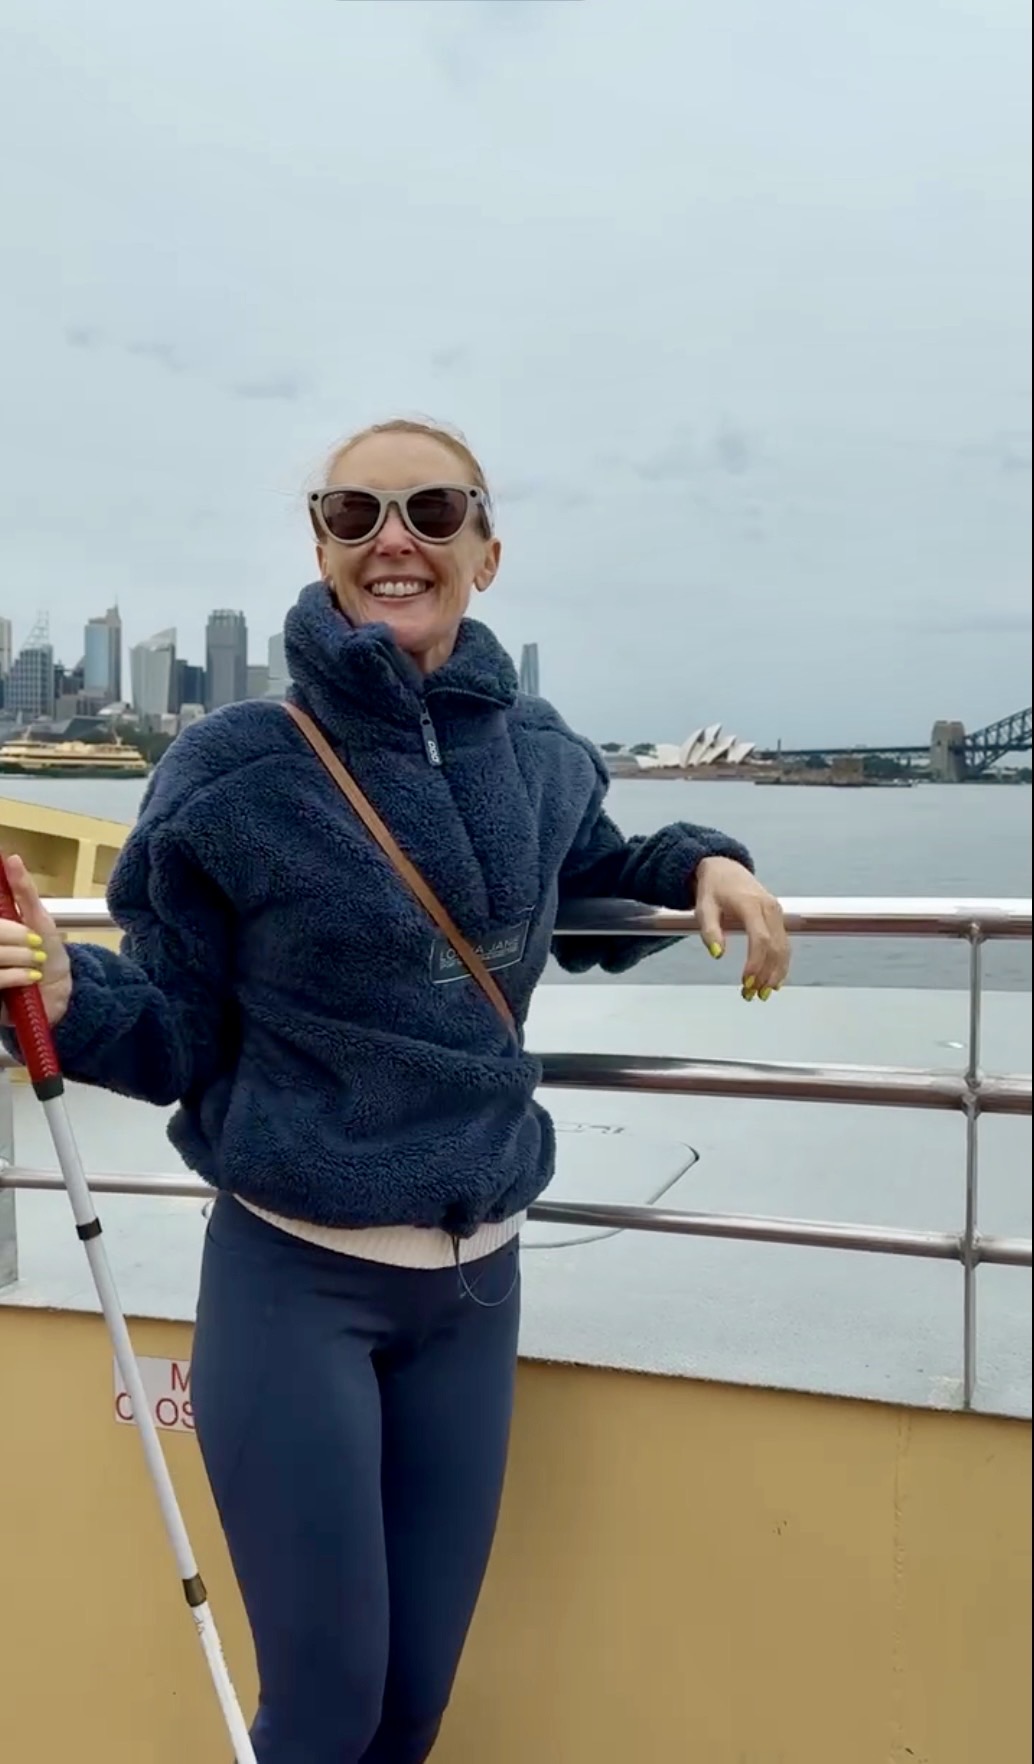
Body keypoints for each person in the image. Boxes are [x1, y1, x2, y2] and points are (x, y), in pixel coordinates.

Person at [0, 417, 791, 1764]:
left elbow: (593, 870)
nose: (394, 542)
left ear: (487, 547)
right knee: (325, 1710)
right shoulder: (234, 767)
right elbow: (180, 1027)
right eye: (354, 515)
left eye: (430, 510)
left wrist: (705, 859)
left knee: (416, 1704)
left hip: (477, 1285)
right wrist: (75, 998)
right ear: (318, 546)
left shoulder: (539, 750)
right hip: (296, 1277)